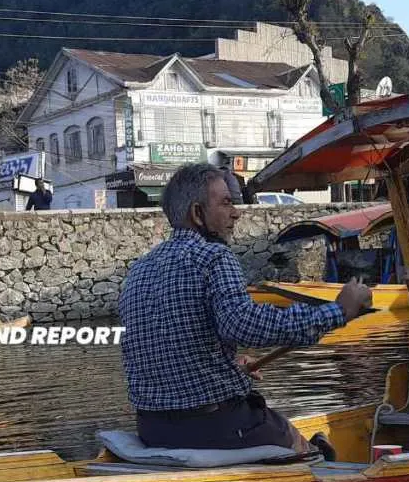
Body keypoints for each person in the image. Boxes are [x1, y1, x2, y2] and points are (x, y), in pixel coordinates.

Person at [118, 163, 372, 458]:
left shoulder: (138, 271)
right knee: (307, 450)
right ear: (197, 214)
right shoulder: (213, 257)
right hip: (213, 424)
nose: (236, 213)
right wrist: (338, 311)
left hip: (152, 427)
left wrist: (228, 363)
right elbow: (243, 324)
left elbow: (158, 346)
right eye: (226, 203)